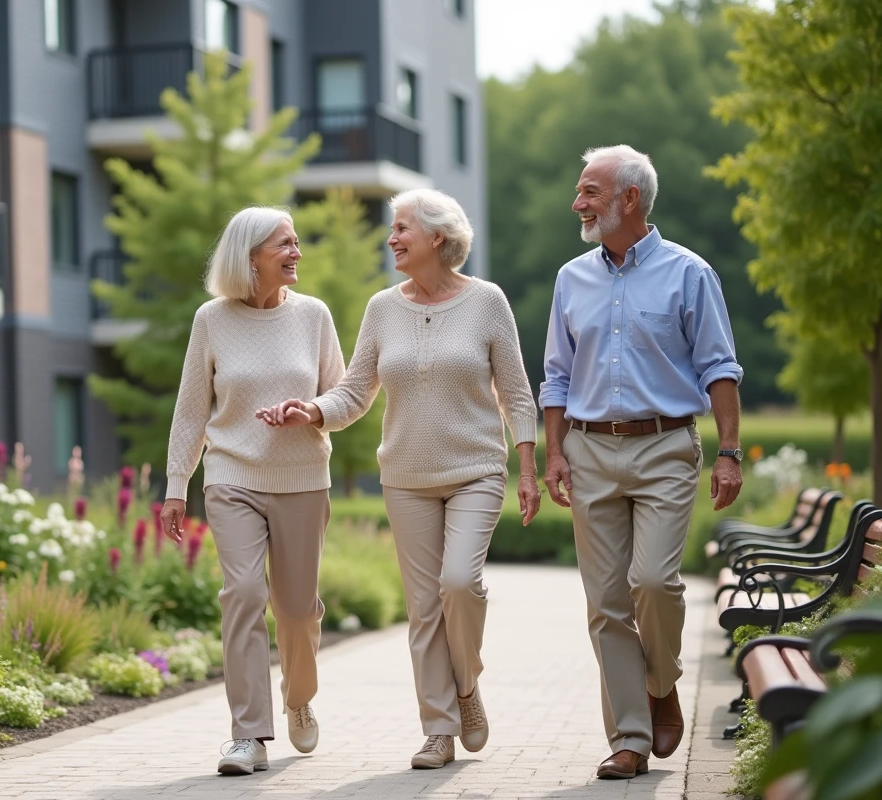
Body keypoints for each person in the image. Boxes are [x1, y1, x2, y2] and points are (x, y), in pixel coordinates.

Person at [258, 188, 540, 770]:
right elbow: (357, 389)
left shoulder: (487, 301)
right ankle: (438, 729)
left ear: (438, 236)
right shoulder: (383, 307)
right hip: (406, 475)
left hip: (476, 470)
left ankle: (467, 687)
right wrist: (314, 409)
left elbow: (515, 391)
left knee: (459, 583)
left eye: (401, 228)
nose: (391, 238)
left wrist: (530, 467)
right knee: (422, 606)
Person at [540, 144, 744, 780]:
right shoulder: (571, 278)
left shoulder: (689, 274)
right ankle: (627, 737)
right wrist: (554, 453)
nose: (578, 202)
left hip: (664, 447)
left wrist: (730, 453)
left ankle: (661, 684)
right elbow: (555, 374)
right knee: (605, 602)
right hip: (589, 447)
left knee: (652, 583)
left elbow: (719, 367)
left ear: (629, 198)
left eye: (590, 192)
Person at [160, 206, 345, 776]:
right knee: (242, 594)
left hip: (302, 480)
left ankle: (298, 697)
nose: (296, 252)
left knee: (295, 611)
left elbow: (345, 397)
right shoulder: (211, 320)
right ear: (250, 257)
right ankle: (248, 735)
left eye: (295, 242)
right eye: (283, 244)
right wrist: (175, 486)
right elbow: (192, 410)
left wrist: (310, 411)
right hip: (231, 476)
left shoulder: (313, 315)